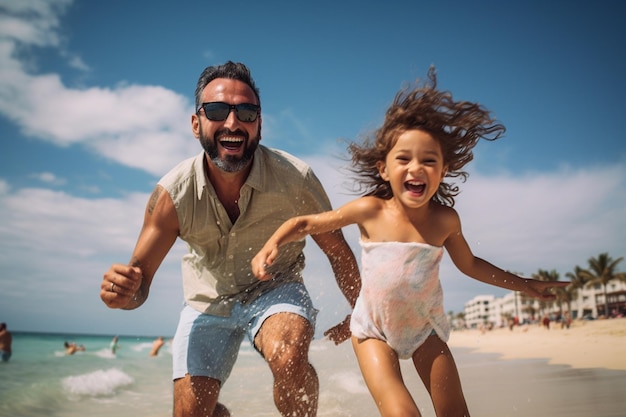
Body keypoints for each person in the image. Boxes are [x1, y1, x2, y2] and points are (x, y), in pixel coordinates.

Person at [252, 67, 570, 417]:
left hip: (424, 329)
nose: (416, 167)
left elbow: (471, 264)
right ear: (384, 169)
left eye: (428, 160)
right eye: (403, 159)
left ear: (443, 169)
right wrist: (274, 242)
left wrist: (524, 284)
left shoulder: (444, 221)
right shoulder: (370, 210)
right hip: (372, 329)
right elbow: (308, 222)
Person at [100, 61, 359, 417]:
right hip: (205, 300)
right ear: (196, 124)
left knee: (288, 356)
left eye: (247, 112)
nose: (233, 123)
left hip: (275, 289)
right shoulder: (173, 195)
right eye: (217, 111)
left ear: (260, 125)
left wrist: (362, 314)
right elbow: (139, 283)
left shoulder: (296, 179)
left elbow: (338, 251)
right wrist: (124, 295)